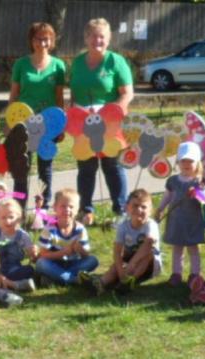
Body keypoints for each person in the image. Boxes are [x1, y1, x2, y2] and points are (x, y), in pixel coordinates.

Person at [68, 18, 134, 225]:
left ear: (109, 39)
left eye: (102, 37)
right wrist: (72, 117)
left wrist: (115, 115)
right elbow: (74, 94)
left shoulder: (116, 61)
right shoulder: (78, 63)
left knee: (112, 166)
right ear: (86, 38)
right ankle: (85, 210)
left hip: (110, 125)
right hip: (82, 126)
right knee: (86, 167)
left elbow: (127, 94)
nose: (98, 40)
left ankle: (121, 210)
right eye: (94, 36)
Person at [9, 22, 66, 206]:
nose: (42, 42)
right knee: (21, 169)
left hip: (48, 125)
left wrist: (61, 124)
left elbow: (59, 97)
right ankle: (19, 208)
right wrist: (10, 123)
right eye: (38, 38)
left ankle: (43, 209)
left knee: (45, 168)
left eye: (46, 38)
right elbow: (14, 95)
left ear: (52, 41)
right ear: (31, 41)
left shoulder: (58, 66)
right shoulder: (21, 64)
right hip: (23, 123)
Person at [86, 189, 161, 296]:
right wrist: (120, 269)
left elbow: (149, 243)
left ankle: (130, 282)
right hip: (129, 258)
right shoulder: (123, 226)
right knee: (116, 266)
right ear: (127, 208)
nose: (139, 209)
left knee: (148, 254)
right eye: (135, 206)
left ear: (150, 210)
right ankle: (100, 284)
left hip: (149, 264)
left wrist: (131, 264)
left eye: (143, 207)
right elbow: (117, 250)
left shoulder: (150, 225)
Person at [155, 142, 205, 292]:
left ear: (197, 162)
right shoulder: (173, 181)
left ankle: (194, 273)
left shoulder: (200, 182)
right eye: (183, 160)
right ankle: (176, 273)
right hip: (176, 220)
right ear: (178, 161)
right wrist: (160, 208)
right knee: (177, 247)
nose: (186, 164)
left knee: (193, 248)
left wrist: (198, 194)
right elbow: (167, 196)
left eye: (190, 161)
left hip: (193, 221)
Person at [35, 188, 99, 286]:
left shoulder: (80, 229)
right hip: (54, 263)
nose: (67, 210)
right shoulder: (49, 229)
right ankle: (73, 279)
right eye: (63, 206)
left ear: (77, 210)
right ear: (55, 207)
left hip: (73, 263)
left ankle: (56, 278)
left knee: (93, 260)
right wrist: (63, 253)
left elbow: (86, 255)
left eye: (71, 207)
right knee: (41, 263)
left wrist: (80, 250)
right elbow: (43, 255)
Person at [0, 199, 38, 292]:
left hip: (13, 269)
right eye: (3, 217)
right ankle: (17, 284)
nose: (7, 221)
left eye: (11, 217)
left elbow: (33, 258)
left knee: (30, 270)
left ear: (19, 218)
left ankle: (5, 283)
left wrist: (33, 253)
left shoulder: (22, 235)